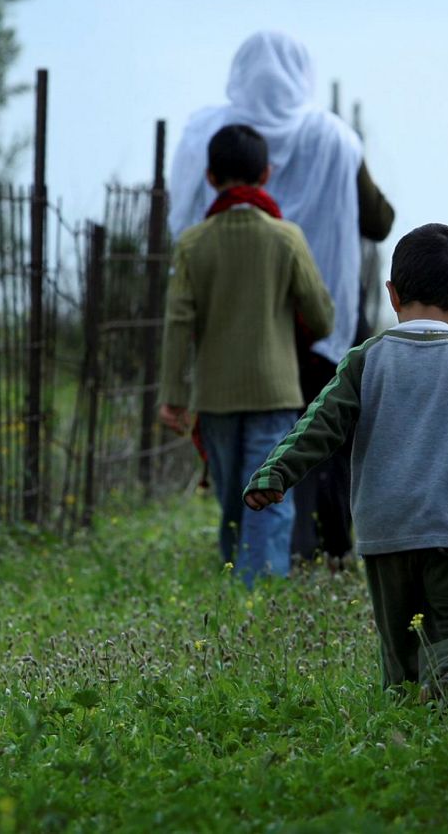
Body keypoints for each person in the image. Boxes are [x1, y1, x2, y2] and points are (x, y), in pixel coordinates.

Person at [243, 224, 448, 704]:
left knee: (400, 643)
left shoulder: (366, 360)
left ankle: (406, 707)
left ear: (393, 292)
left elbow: (318, 425)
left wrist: (276, 473)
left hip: (387, 532)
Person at [168, 31, 394, 564]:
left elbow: (179, 219)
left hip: (234, 316)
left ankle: (251, 549)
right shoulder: (334, 140)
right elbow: (379, 221)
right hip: (319, 315)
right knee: (326, 427)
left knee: (245, 439)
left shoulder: (207, 131)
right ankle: (324, 543)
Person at [159, 124, 334, 587]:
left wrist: (174, 395)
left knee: (234, 500)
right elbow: (321, 319)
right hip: (275, 393)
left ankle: (239, 583)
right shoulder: (286, 238)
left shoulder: (193, 243)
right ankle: (259, 596)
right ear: (267, 173)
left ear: (211, 177)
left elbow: (179, 324)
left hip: (214, 397)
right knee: (269, 498)